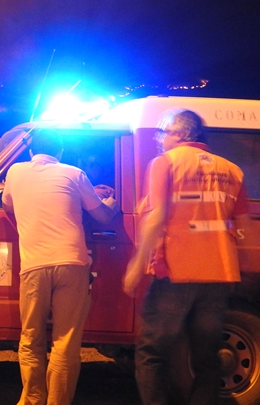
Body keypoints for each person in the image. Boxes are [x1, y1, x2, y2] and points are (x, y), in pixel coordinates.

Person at [123, 109, 250, 405]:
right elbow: (242, 226)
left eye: (163, 132)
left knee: (151, 354)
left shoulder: (165, 163)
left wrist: (136, 265)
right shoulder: (232, 170)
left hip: (176, 275)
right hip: (218, 276)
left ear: (180, 134)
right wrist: (238, 266)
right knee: (206, 359)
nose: (159, 138)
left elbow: (156, 217)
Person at [2, 128, 119, 405]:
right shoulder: (74, 174)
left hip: (33, 266)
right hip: (72, 263)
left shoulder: (15, 173)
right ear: (61, 152)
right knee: (65, 342)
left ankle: (31, 400)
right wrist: (110, 200)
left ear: (31, 152)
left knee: (31, 339)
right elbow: (102, 216)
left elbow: (8, 205)